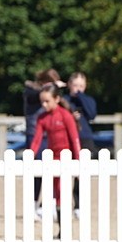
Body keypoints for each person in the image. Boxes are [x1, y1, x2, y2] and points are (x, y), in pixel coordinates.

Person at [30, 84, 81, 226]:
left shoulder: (66, 116)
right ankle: (59, 226)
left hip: (65, 160)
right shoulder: (42, 118)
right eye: (42, 102)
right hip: (51, 160)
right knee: (51, 193)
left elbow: (74, 139)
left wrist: (78, 161)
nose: (44, 105)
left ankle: (63, 228)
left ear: (57, 99)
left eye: (47, 101)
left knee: (62, 193)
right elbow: (36, 140)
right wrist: (30, 156)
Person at [66, 71, 97, 149]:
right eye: (75, 85)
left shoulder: (89, 100)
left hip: (85, 136)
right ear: (69, 84)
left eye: (81, 86)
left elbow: (92, 115)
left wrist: (80, 96)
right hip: (68, 137)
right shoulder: (64, 100)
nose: (78, 89)